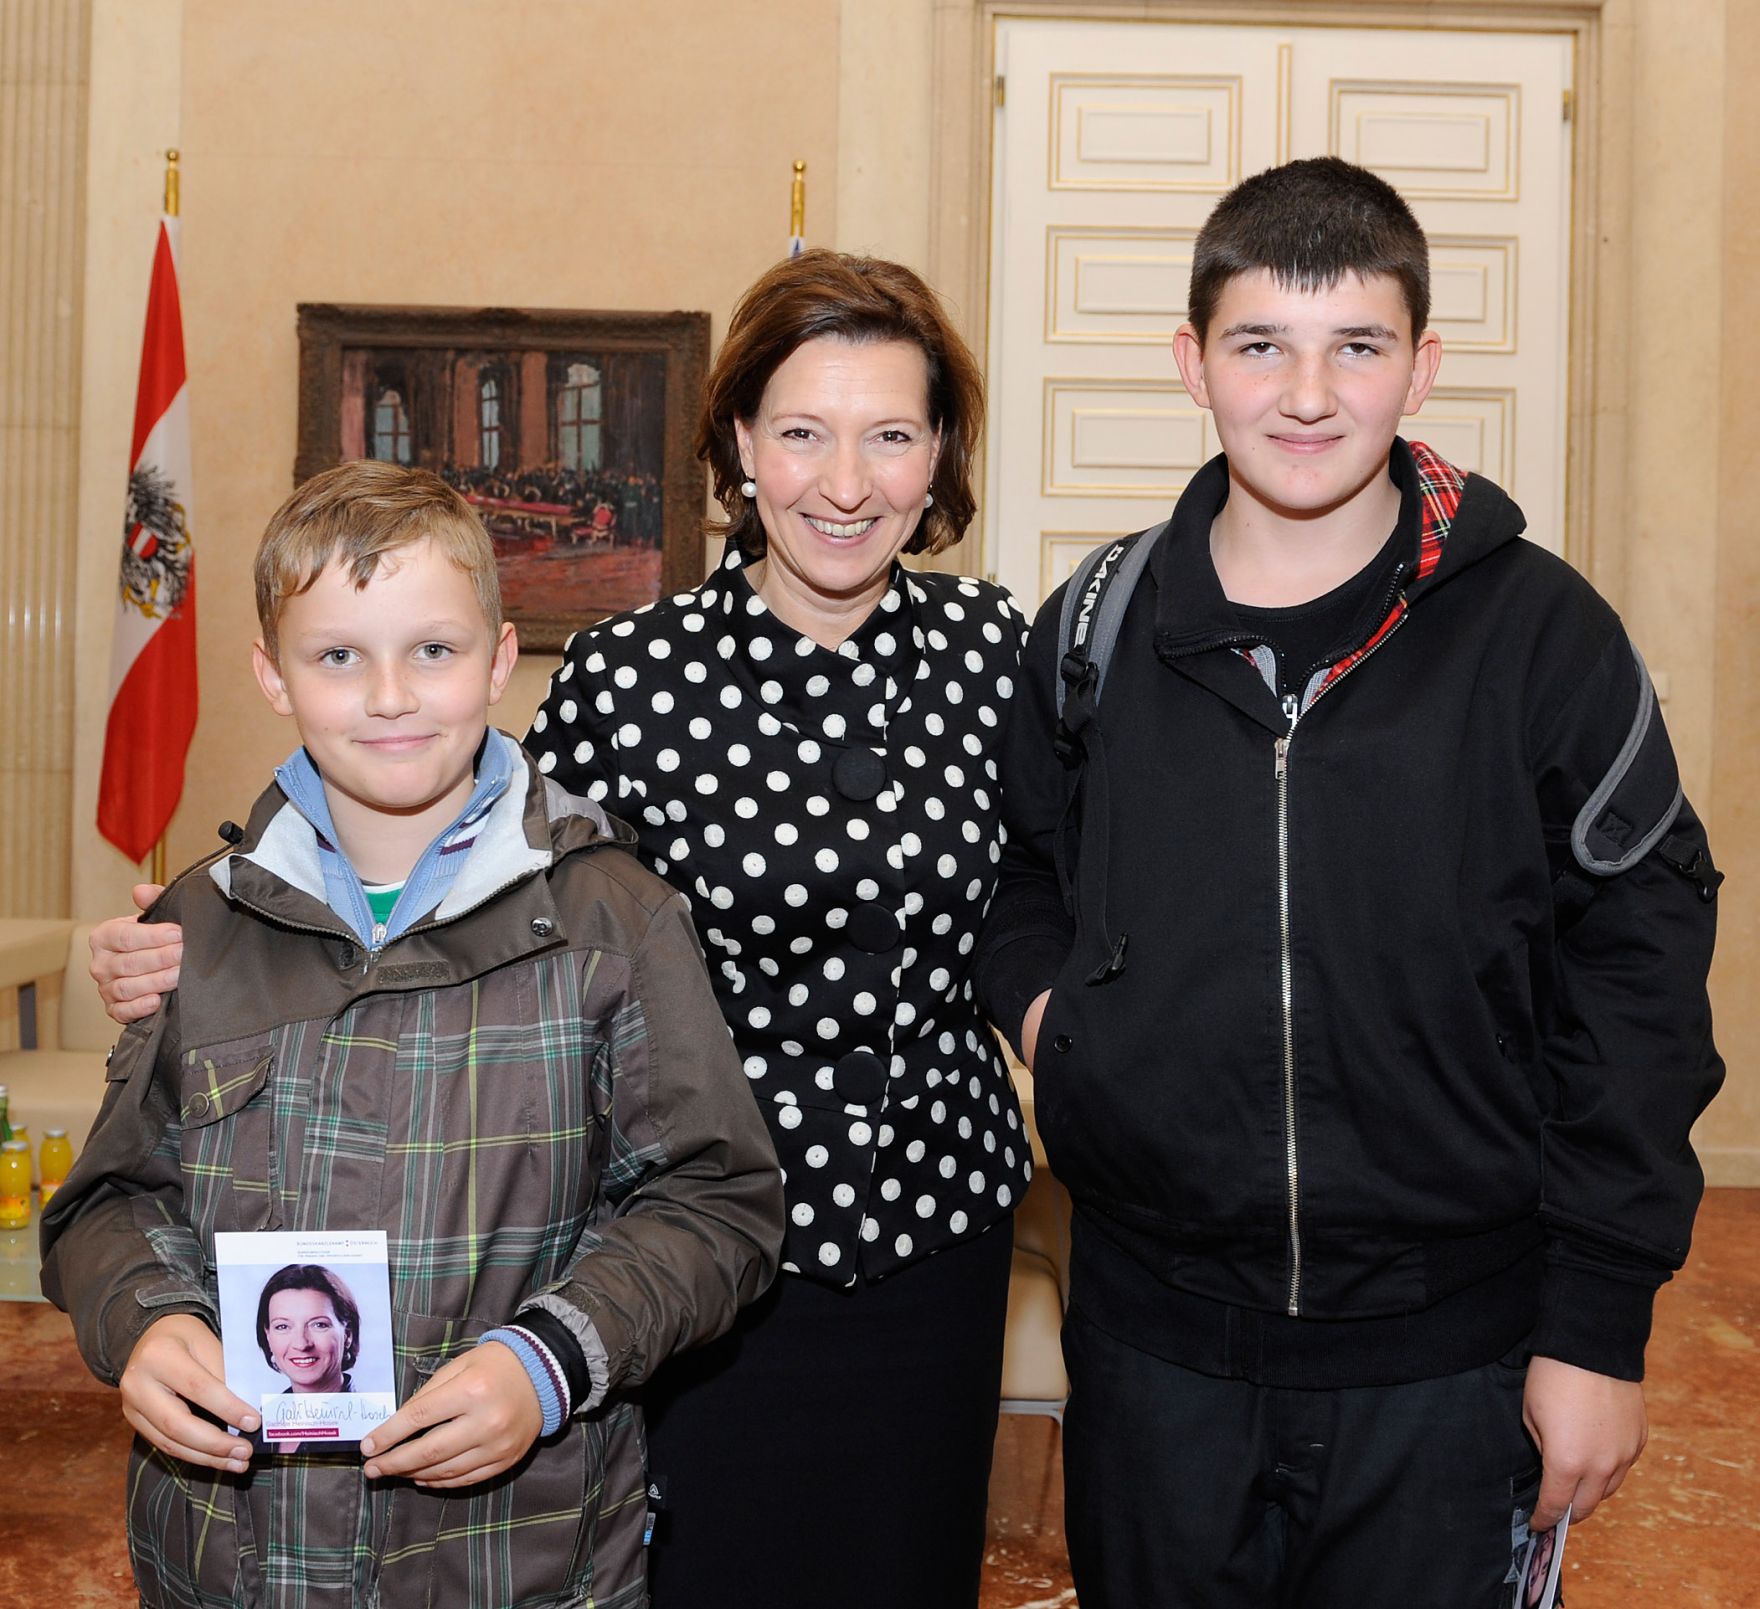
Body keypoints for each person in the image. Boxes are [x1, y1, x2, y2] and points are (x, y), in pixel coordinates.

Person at [87, 251, 1030, 1608]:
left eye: (891, 434)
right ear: (739, 444)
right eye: (802, 432)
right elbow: (472, 852)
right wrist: (219, 922)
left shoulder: (999, 655)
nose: (845, 480)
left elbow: (1055, 898)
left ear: (938, 453)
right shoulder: (631, 671)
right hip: (685, 1272)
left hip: (927, 1236)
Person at [975, 156, 1724, 1608]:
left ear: (1421, 365)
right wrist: (1064, 1029)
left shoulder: (1542, 634)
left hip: (1451, 1356)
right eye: (1261, 343)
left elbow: (1640, 972)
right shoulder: (1094, 627)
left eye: (1357, 346)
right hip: (1154, 1349)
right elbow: (1020, 875)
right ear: (1192, 362)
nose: (1308, 395)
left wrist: (1595, 1326)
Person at [44, 461, 783, 1609]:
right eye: (338, 655)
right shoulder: (197, 922)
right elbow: (109, 1201)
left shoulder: (613, 918)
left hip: (515, 1557)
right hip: (232, 1559)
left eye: (432, 650)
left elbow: (714, 1202)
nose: (389, 695)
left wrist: (548, 1361)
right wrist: (145, 1322)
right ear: (272, 674)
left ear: (497, 659)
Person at [258, 1264, 358, 1394]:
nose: (301, 1345)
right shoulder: (255, 1408)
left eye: (319, 1325)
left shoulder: (380, 1407)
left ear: (347, 1335)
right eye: (282, 1326)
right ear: (268, 1336)